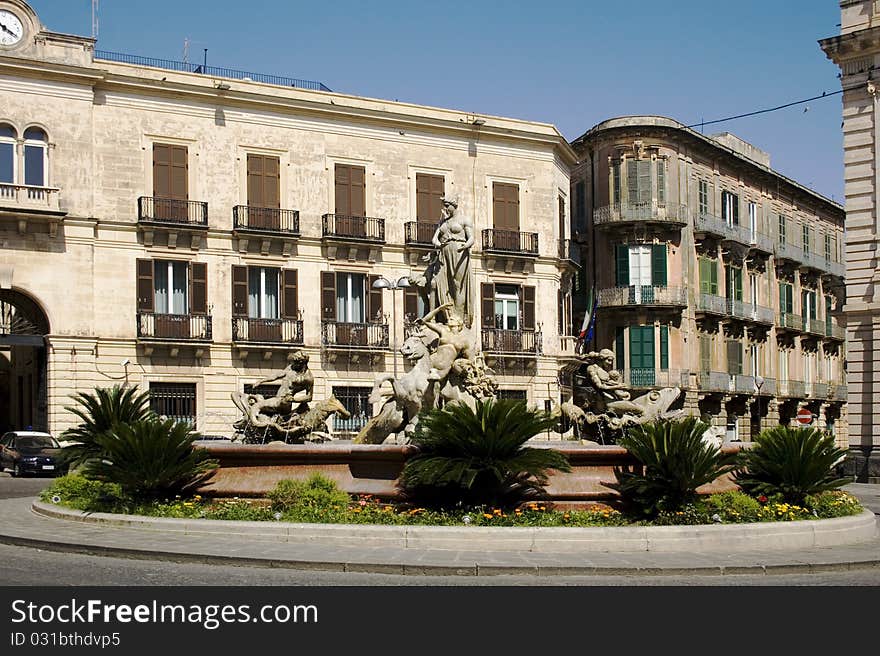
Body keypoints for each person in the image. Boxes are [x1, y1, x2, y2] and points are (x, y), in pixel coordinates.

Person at [430, 197, 473, 327]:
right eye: (444, 205)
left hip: (459, 253)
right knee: (436, 283)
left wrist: (465, 246)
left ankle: (457, 319)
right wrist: (439, 244)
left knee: (457, 285)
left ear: (454, 205)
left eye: (447, 205)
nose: (445, 208)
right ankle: (441, 316)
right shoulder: (443, 222)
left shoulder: (464, 220)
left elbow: (471, 238)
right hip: (444, 254)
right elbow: (434, 239)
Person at [241, 350, 314, 425]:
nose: (293, 363)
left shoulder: (307, 378)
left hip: (283, 402)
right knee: (258, 405)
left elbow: (309, 397)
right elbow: (278, 375)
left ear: (301, 363)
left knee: (255, 407)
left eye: (295, 361)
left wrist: (294, 399)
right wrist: (261, 381)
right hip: (278, 400)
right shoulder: (292, 367)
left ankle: (257, 426)